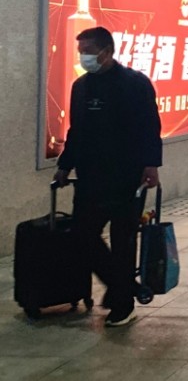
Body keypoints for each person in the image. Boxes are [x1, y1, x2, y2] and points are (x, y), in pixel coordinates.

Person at [53, 27, 162, 327]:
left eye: (88, 51)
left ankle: (123, 306)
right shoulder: (81, 87)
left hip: (127, 176)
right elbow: (76, 131)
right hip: (90, 176)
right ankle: (122, 286)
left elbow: (150, 126)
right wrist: (65, 165)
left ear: (107, 51)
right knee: (82, 236)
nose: (83, 57)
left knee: (123, 241)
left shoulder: (135, 84)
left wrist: (151, 165)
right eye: (81, 51)